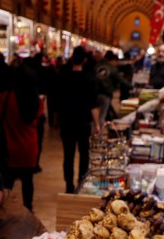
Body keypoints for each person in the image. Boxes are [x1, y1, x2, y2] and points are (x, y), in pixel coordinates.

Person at [0, 63, 43, 211]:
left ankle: (5, 212)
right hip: (30, 149)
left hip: (10, 149)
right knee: (28, 182)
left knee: (7, 184)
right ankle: (28, 210)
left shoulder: (5, 98)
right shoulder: (37, 101)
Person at [56, 46, 99, 194]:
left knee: (68, 155)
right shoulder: (89, 79)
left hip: (67, 123)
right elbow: (93, 105)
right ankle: (81, 182)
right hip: (83, 123)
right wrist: (97, 124)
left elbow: (57, 102)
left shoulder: (63, 77)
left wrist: (57, 120)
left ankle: (68, 184)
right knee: (84, 154)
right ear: (85, 60)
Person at [95, 50, 131, 129]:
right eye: (116, 62)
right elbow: (120, 79)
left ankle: (95, 131)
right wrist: (131, 86)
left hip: (95, 93)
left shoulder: (97, 66)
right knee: (102, 115)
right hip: (106, 94)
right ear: (113, 60)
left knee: (95, 114)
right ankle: (99, 132)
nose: (117, 64)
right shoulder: (112, 69)